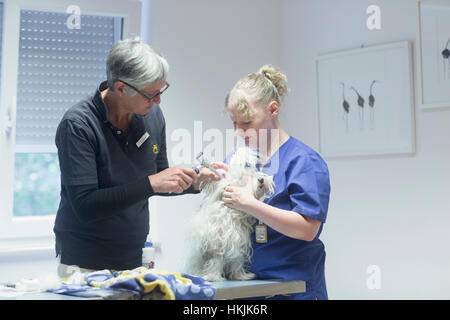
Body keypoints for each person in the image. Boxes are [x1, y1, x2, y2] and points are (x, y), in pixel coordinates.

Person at [54, 39, 217, 274]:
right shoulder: (78, 125)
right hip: (84, 262)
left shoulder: (152, 115)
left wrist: (198, 181)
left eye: (161, 91)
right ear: (121, 88)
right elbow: (85, 205)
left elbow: (160, 178)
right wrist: (152, 183)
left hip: (135, 257)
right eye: (151, 94)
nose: (158, 100)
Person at [215, 65, 331, 300]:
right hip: (246, 289)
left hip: (292, 288)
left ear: (273, 109)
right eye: (234, 123)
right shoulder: (237, 160)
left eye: (246, 123)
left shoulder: (303, 162)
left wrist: (250, 204)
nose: (239, 132)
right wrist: (211, 188)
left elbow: (307, 229)